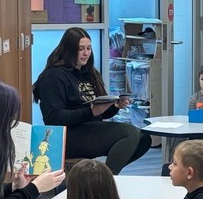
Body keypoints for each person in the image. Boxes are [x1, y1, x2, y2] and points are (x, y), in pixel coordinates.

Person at [32, 27, 151, 175]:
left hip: (91, 128)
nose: (86, 53)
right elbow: (54, 118)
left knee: (144, 139)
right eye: (80, 49)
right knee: (130, 133)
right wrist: (90, 111)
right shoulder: (53, 76)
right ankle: (105, 180)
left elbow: (102, 113)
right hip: (68, 134)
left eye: (88, 48)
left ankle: (101, 176)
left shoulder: (90, 72)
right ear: (69, 50)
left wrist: (114, 106)